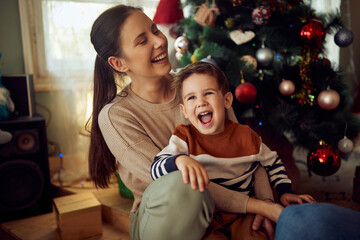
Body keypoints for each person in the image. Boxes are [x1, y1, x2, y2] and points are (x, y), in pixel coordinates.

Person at [89, 4, 277, 240]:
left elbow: (246, 150)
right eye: (142, 40)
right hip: (167, 221)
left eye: (155, 30)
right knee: (180, 178)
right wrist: (259, 206)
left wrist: (266, 203)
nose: (159, 41)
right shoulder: (115, 116)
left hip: (232, 209)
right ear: (119, 63)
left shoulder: (198, 84)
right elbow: (185, 185)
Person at [151, 61, 315, 238]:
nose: (201, 102)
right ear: (184, 111)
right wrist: (179, 159)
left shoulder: (246, 136)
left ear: (226, 100)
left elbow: (272, 162)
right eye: (191, 97)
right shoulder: (184, 137)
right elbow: (155, 169)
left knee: (258, 234)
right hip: (205, 215)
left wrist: (285, 191)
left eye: (208, 93)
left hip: (242, 213)